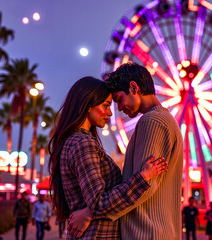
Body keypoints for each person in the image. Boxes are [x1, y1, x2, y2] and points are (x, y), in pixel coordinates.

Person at [67, 63, 184, 239]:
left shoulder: (152, 122)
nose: (119, 109)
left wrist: (90, 212)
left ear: (133, 87)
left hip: (145, 231)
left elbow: (146, 186)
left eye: (119, 99)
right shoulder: (166, 120)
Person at [48, 76, 169, 239]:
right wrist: (144, 177)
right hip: (98, 234)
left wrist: (87, 213)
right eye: (105, 106)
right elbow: (99, 203)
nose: (110, 112)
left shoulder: (73, 141)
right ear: (87, 105)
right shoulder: (82, 143)